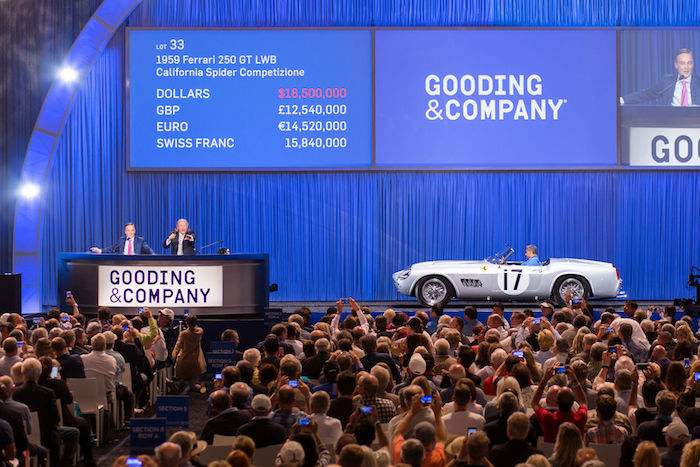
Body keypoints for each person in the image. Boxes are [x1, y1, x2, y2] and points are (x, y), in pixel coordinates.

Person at [621, 49, 700, 106]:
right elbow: (646, 94)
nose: (686, 67)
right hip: (673, 122)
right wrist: (621, 100)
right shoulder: (668, 81)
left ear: (693, 65)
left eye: (689, 63)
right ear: (676, 65)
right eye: (682, 63)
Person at [172, 314, 206, 393]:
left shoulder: (183, 334)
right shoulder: (200, 331)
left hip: (184, 361)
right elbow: (196, 328)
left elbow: (178, 346)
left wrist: (173, 357)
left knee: (180, 370)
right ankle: (197, 387)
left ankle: (181, 380)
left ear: (187, 323)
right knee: (193, 384)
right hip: (196, 362)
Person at [90, 222, 155, 254]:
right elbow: (113, 248)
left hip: (136, 264)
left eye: (132, 230)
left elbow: (148, 249)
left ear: (135, 231)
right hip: (122, 264)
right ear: (125, 231)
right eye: (128, 230)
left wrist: (154, 256)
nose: (130, 232)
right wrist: (100, 250)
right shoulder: (121, 240)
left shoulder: (140, 240)